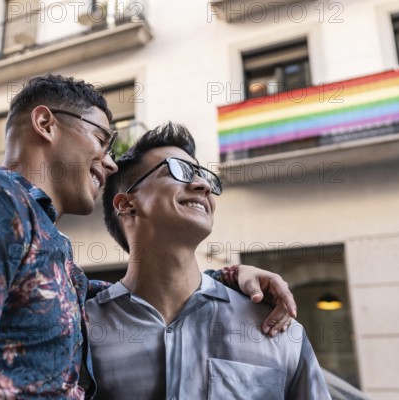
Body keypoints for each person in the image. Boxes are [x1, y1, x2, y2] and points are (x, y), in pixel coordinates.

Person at [0, 75, 297, 399]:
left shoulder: (57, 256)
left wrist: (229, 277)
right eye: (103, 140)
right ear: (46, 124)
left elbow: (127, 297)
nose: (108, 165)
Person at [88, 122, 331, 399]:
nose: (203, 185)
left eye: (204, 176)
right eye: (178, 170)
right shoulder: (80, 327)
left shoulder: (275, 325)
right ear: (127, 205)